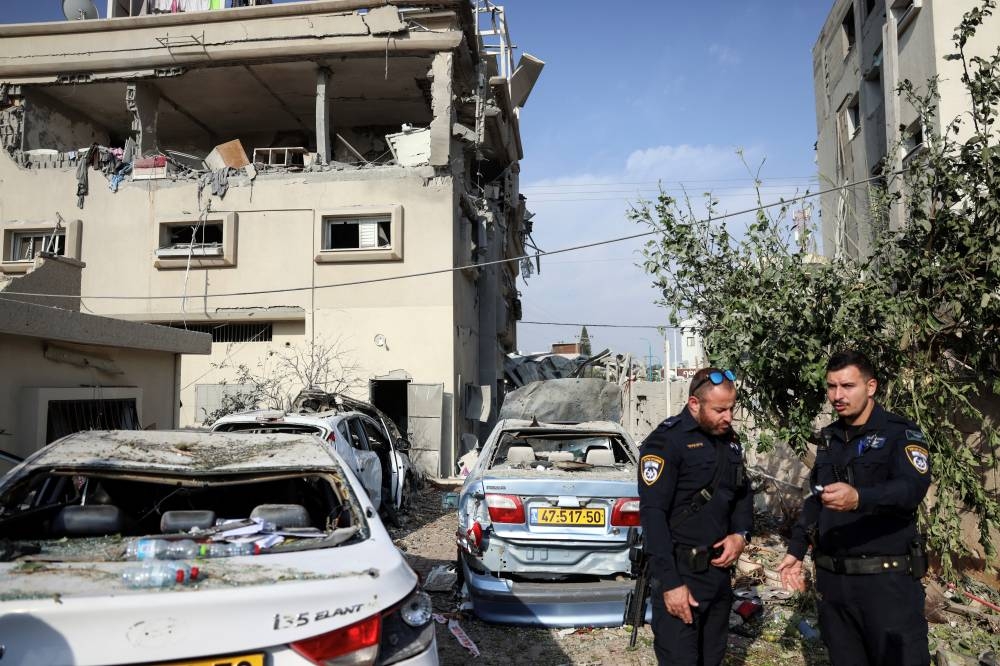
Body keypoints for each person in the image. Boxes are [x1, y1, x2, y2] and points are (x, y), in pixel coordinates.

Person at [777, 350, 931, 666]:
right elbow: (816, 500)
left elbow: (911, 488)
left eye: (847, 386)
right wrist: (795, 551)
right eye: (832, 387)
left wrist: (860, 497)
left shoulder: (899, 433)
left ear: (870, 386)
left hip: (886, 586)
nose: (838, 395)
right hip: (834, 587)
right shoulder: (830, 438)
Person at [638, 367, 753, 665]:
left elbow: (742, 494)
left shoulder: (730, 441)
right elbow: (653, 516)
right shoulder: (666, 442)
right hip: (681, 575)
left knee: (712, 658)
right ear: (694, 404)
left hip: (718, 577)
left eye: (731, 408)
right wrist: (672, 584)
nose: (728, 417)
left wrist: (740, 535)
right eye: (719, 410)